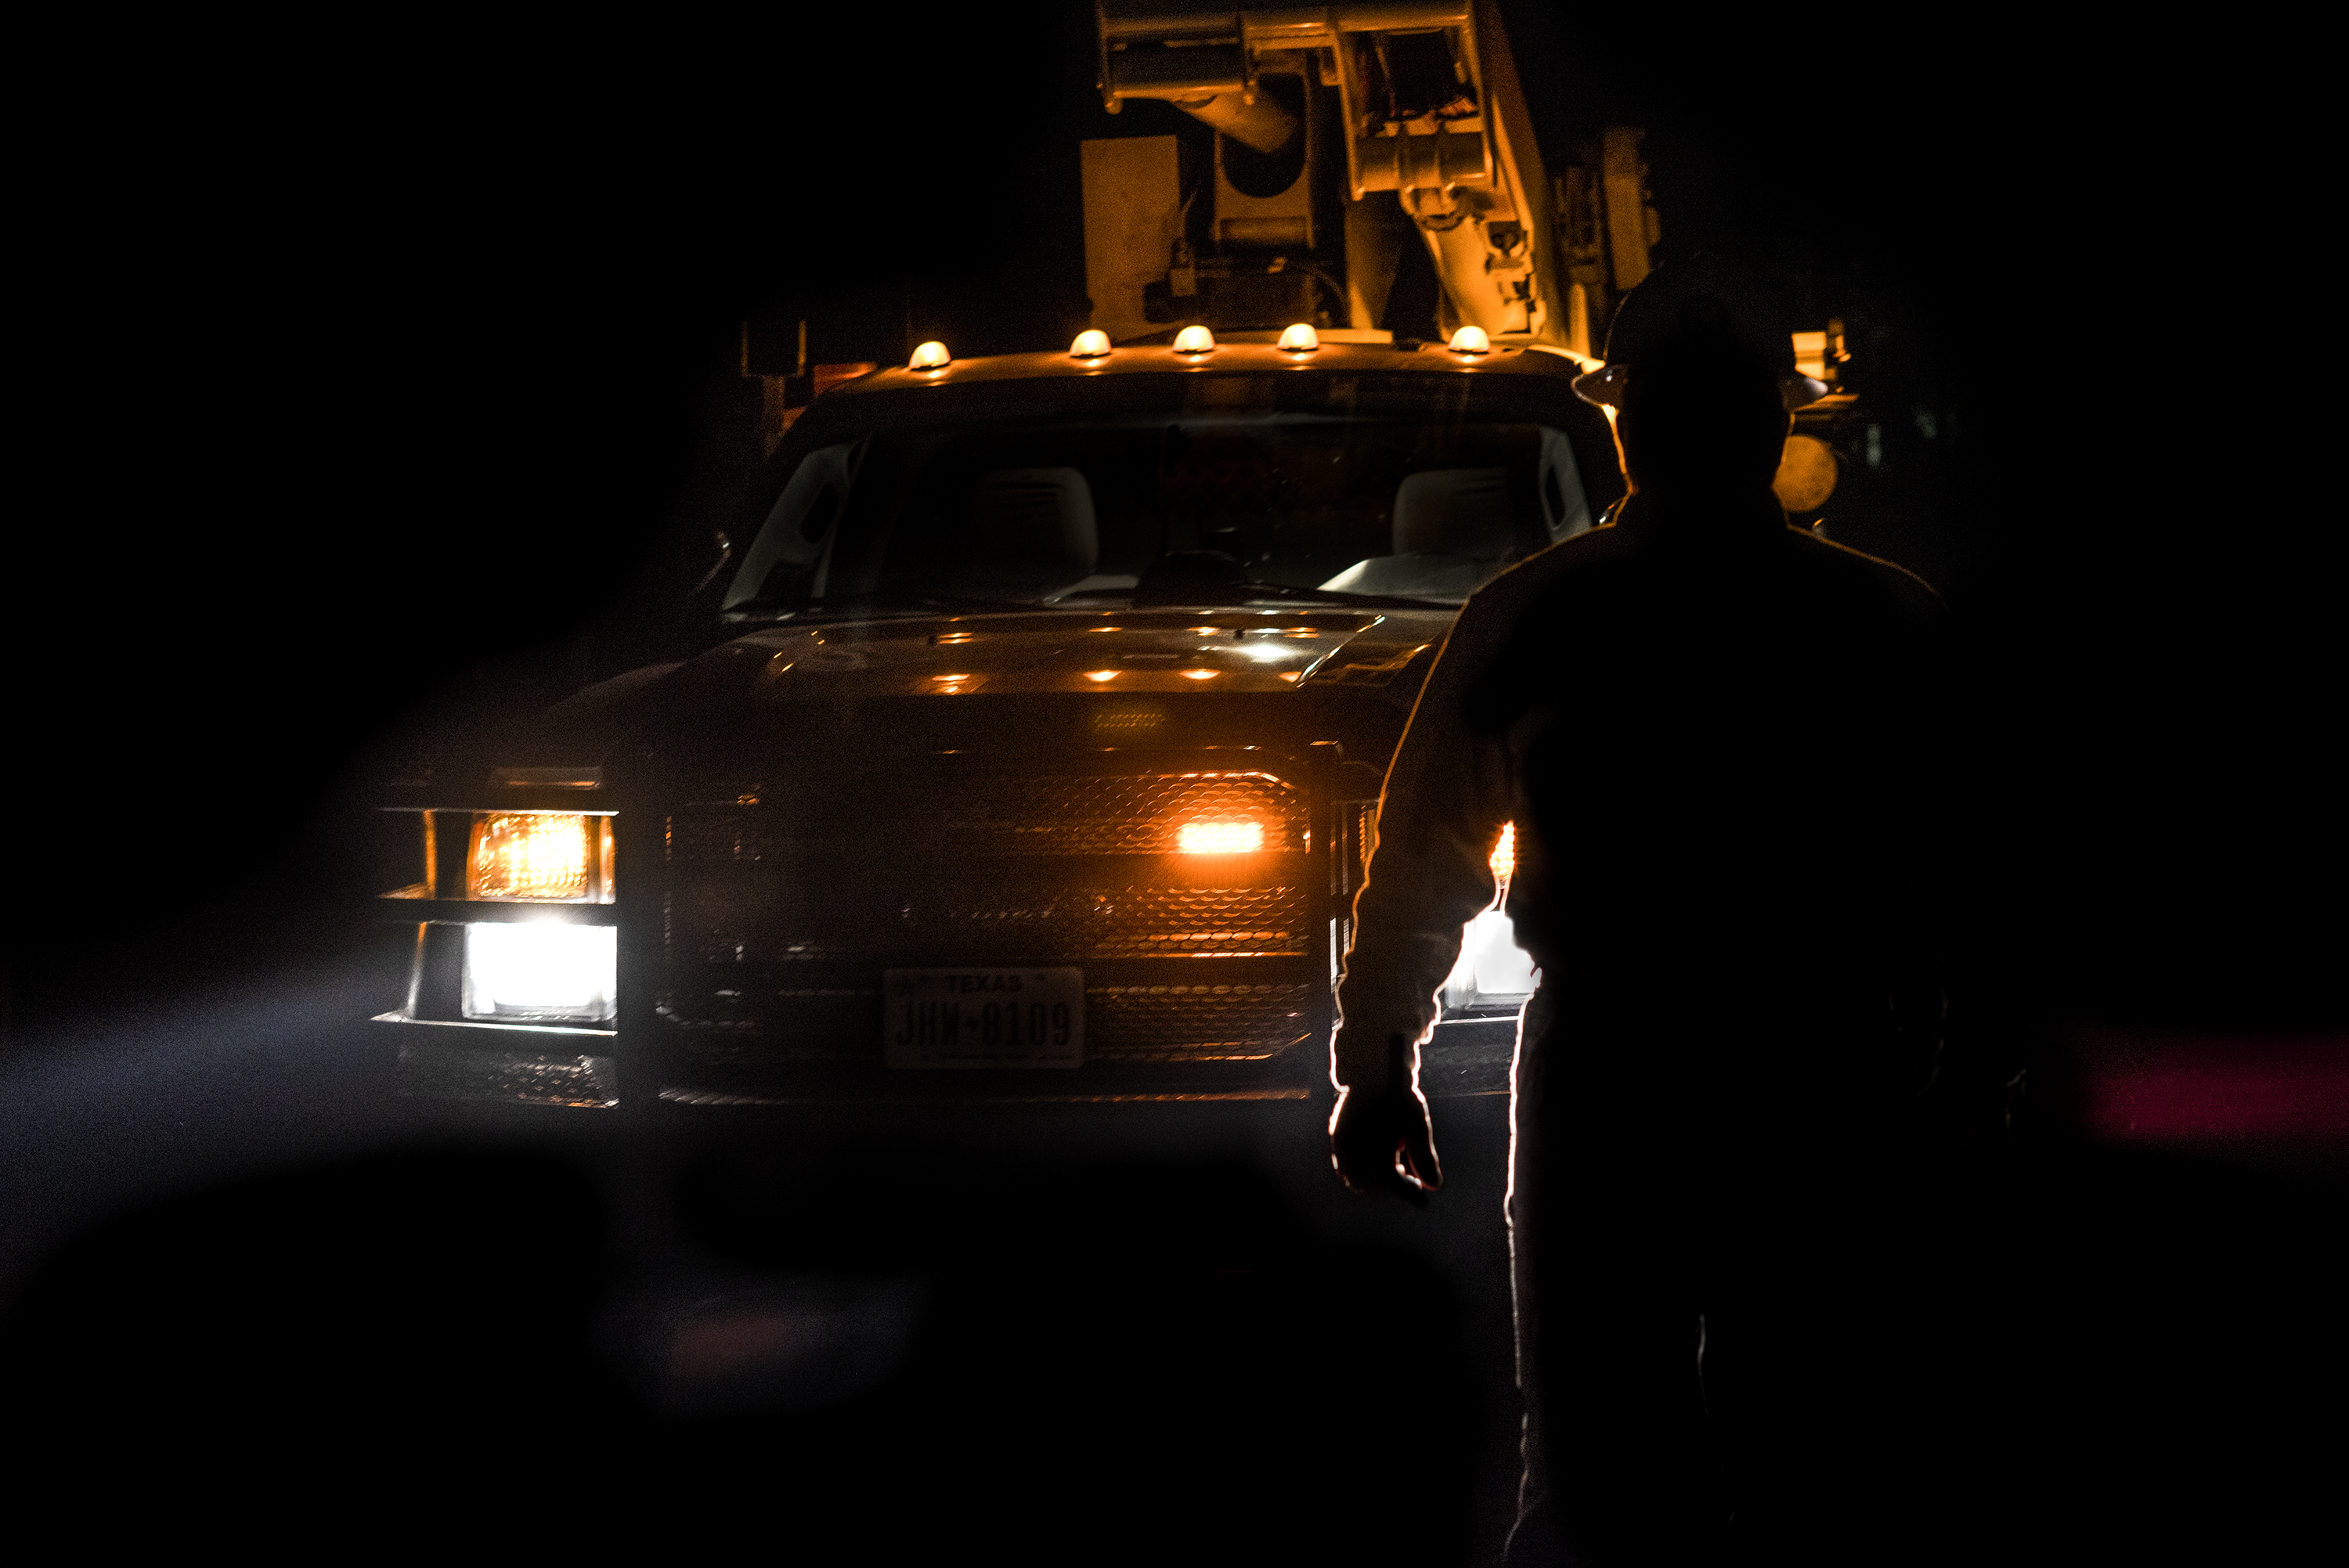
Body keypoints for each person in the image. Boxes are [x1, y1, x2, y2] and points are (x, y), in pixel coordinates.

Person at [1329, 258, 1954, 1565]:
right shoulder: (1885, 623)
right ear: (1776, 421)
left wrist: (1379, 1062)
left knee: (1599, 1472)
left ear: (1625, 425)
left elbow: (1428, 854)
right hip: (1827, 1079)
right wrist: (1974, 1065)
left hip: (1610, 1084)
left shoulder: (1531, 617)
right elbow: (1983, 867)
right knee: (1826, 1462)